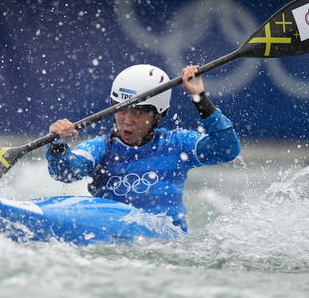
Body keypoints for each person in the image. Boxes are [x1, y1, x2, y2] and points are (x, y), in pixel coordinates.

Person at [46, 64, 241, 232]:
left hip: (168, 245)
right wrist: (58, 146)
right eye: (120, 109)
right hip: (113, 238)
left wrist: (199, 98)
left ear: (158, 114)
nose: (127, 121)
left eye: (138, 112)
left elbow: (226, 149)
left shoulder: (177, 143)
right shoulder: (101, 148)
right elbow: (66, 173)